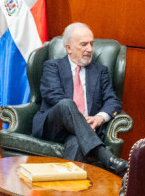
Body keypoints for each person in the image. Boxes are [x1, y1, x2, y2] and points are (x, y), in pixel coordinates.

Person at [32, 22, 128, 175]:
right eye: (84, 44)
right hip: (54, 127)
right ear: (68, 48)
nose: (89, 49)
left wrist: (99, 118)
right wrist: (79, 118)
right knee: (65, 104)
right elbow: (53, 96)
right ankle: (105, 156)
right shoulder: (52, 66)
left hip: (85, 131)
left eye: (91, 44)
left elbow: (113, 100)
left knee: (77, 142)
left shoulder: (100, 71)